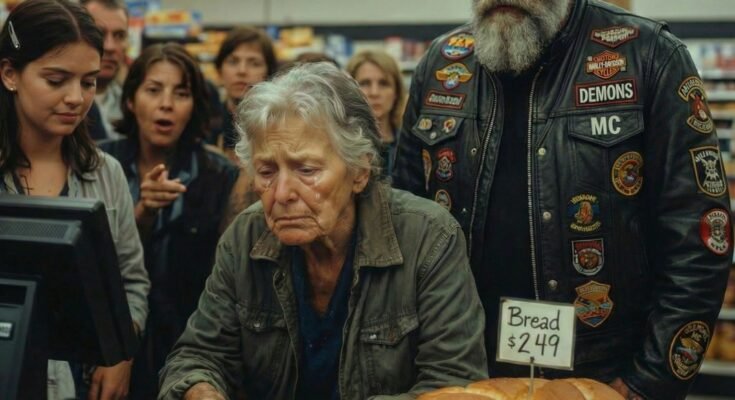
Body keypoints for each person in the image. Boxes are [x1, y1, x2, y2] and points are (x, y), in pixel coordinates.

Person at [392, 0, 733, 399]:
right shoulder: (441, 65)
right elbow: (405, 225)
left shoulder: (650, 55)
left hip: (601, 374)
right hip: (462, 373)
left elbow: (700, 238)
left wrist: (647, 382)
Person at [158, 62, 487, 400]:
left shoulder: (428, 238)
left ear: (359, 172)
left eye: (307, 170)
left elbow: (454, 383)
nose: (282, 193)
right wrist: (201, 390)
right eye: (267, 171)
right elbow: (197, 356)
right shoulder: (245, 237)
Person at [0, 1, 149, 399]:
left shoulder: (105, 173)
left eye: (88, 82)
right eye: (56, 80)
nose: (75, 98)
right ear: (10, 74)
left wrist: (121, 352)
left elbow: (131, 279)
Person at [98, 43, 239, 399]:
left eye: (181, 93)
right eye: (153, 90)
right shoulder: (99, 165)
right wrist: (143, 212)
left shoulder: (219, 175)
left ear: (194, 107)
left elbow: (225, 279)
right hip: (108, 348)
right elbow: (95, 265)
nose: (167, 104)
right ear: (131, 100)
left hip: (188, 349)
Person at [209, 26, 277, 163]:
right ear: (219, 71)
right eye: (233, 62)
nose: (242, 70)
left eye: (254, 63)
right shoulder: (205, 126)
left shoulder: (280, 124)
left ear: (268, 73)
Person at [347, 50, 406, 176]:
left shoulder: (410, 145)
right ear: (350, 91)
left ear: (396, 92)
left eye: (383, 84)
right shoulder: (340, 145)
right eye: (365, 83)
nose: (374, 92)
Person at [81, 0, 129, 139]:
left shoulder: (131, 107)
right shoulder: (59, 104)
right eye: (99, 34)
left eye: (119, 35)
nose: (110, 47)